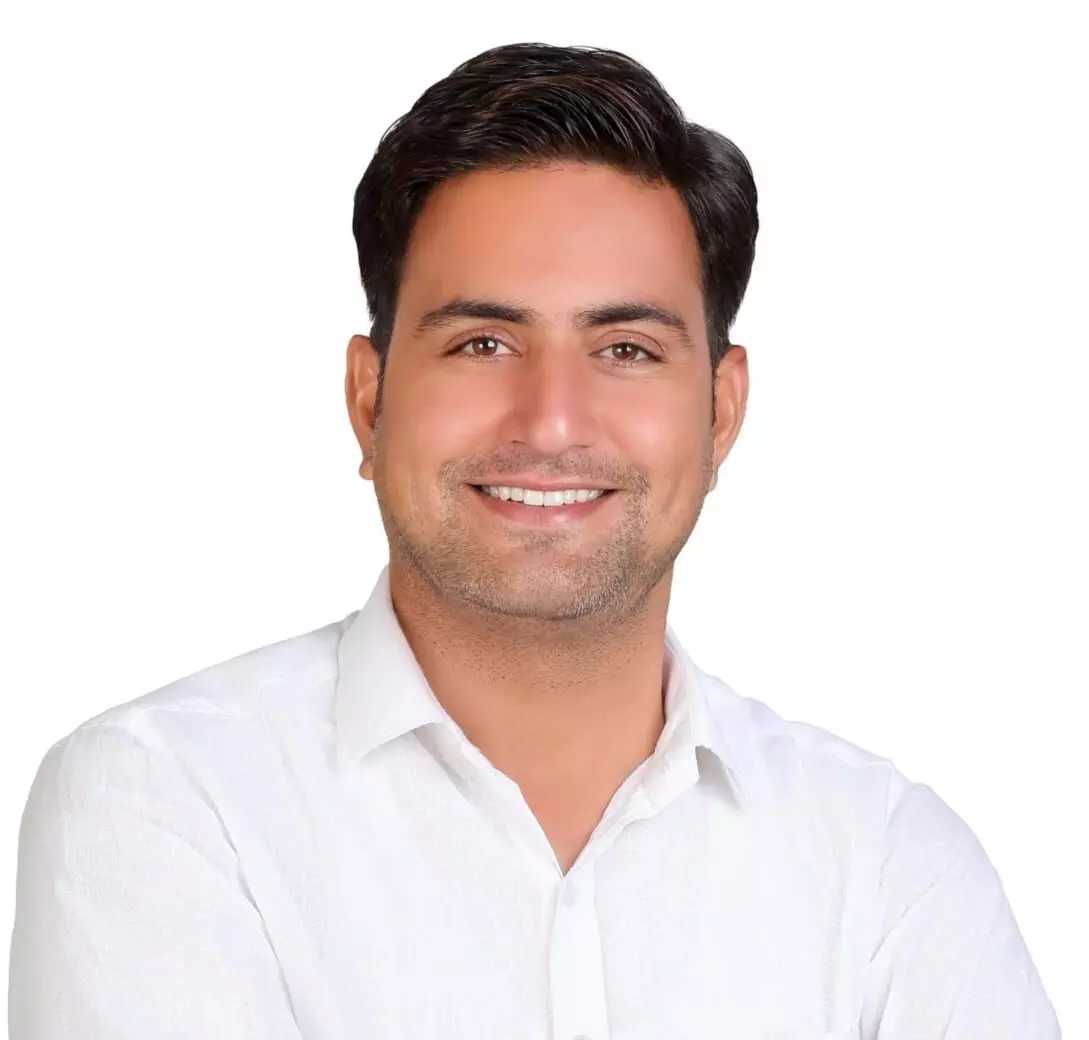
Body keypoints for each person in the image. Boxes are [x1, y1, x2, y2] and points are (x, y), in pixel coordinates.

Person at [9, 41, 1060, 1040]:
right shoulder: (169, 802)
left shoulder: (888, 864)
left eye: (626, 348)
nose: (552, 422)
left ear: (721, 411)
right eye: (482, 341)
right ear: (369, 401)